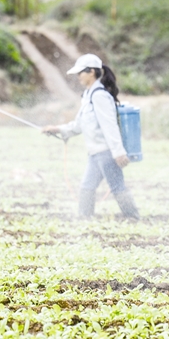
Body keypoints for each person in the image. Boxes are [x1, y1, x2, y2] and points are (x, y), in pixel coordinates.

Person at [43, 54, 140, 220]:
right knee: (87, 187)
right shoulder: (88, 96)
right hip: (95, 153)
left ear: (91, 72)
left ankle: (133, 217)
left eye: (80, 72)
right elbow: (79, 124)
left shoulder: (99, 96)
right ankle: (84, 218)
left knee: (117, 186)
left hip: (106, 152)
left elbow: (109, 125)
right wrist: (57, 129)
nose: (78, 76)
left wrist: (118, 152)